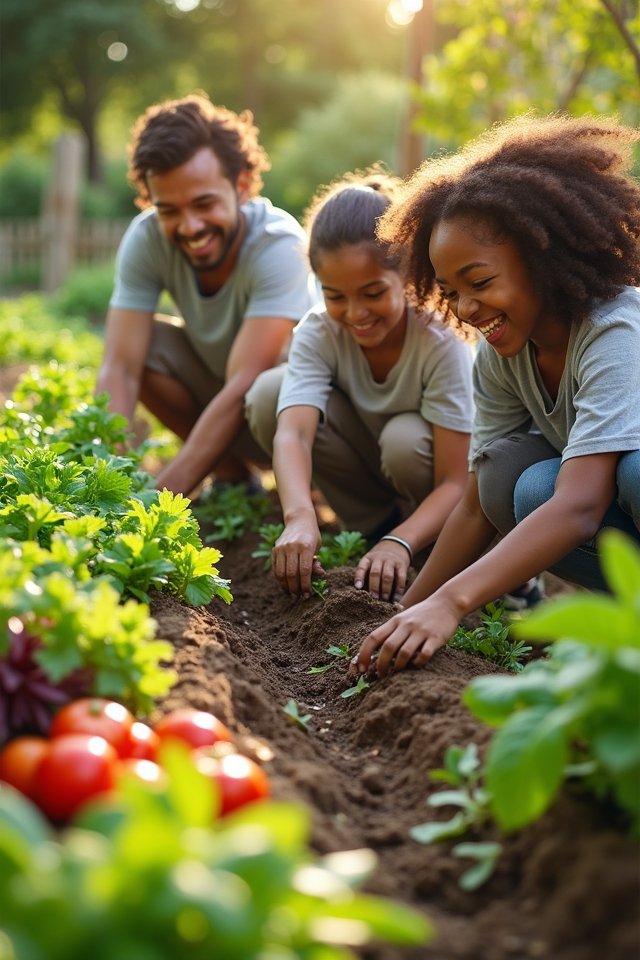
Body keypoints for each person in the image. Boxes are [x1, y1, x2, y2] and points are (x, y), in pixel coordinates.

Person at [352, 114, 640, 679]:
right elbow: (476, 501)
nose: (464, 309)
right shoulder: (504, 351)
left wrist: (454, 603)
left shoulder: (614, 330)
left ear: (542, 258)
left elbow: (582, 506)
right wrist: (409, 613)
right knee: (515, 481)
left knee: (631, 473)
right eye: (450, 291)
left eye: (479, 283)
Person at [246, 170, 474, 602]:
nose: (355, 313)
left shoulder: (440, 341)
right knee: (268, 395)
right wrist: (298, 516)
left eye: (373, 293)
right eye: (336, 296)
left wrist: (403, 541)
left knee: (404, 440)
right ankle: (376, 531)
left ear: (407, 278)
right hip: (369, 463)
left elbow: (456, 483)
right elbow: (293, 433)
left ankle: (425, 545)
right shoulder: (318, 331)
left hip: (440, 487)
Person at [96, 93, 313, 497]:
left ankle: (309, 490)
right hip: (226, 403)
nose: (190, 226)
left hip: (292, 420)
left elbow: (244, 385)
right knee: (145, 343)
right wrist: (105, 478)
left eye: (204, 203)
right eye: (169, 210)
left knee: (265, 389)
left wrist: (156, 504)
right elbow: (119, 369)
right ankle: (231, 477)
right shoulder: (146, 238)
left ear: (242, 185)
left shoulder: (279, 247)